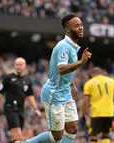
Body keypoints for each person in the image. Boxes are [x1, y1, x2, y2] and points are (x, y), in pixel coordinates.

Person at [17, 13, 92, 143]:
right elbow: (61, 69)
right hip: (54, 93)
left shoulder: (73, 47)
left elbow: (66, 72)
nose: (81, 27)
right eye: (77, 25)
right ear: (68, 29)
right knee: (57, 136)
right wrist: (81, 62)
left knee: (72, 129)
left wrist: (72, 84)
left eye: (81, 25)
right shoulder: (63, 46)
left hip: (65, 92)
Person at [0, 57, 42, 143]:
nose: (19, 66)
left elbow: (29, 95)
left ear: (25, 66)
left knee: (17, 137)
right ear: (15, 66)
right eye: (17, 65)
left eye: (21, 65)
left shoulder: (27, 79)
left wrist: (36, 109)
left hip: (20, 109)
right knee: (17, 133)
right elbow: (0, 95)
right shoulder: (8, 78)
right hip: (10, 108)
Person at [81, 67, 114, 143]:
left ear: (92, 74)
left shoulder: (89, 83)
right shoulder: (111, 81)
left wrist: (83, 115)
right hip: (109, 113)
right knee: (105, 135)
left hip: (96, 113)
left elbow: (85, 101)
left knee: (93, 136)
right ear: (102, 73)